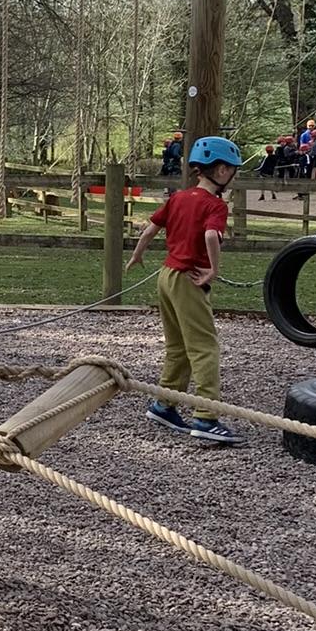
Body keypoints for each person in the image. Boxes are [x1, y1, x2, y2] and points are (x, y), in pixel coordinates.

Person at [127, 133, 245, 447]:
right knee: (205, 348)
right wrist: (214, 269)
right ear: (221, 170)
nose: (233, 176)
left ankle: (164, 405)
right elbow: (211, 236)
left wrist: (137, 255)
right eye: (233, 170)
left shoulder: (179, 197)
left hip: (166, 276)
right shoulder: (215, 205)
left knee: (178, 346)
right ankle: (206, 417)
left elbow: (151, 228)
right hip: (189, 279)